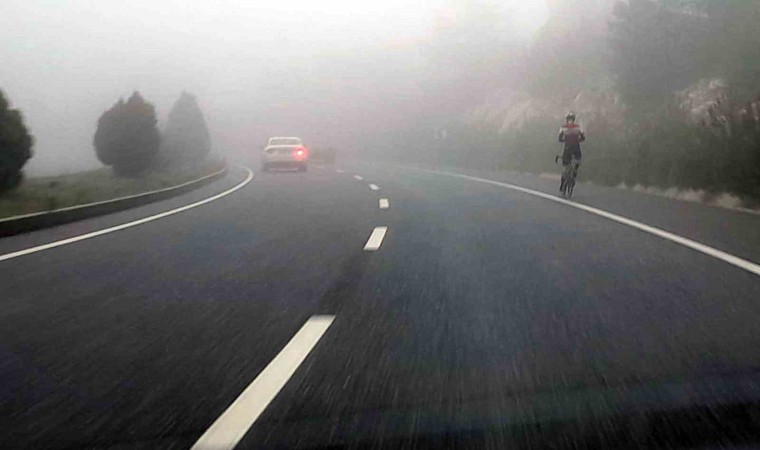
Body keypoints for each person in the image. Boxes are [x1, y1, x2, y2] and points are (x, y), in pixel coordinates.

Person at [556, 112, 585, 192]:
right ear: (574, 119)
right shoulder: (578, 127)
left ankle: (562, 185)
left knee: (565, 167)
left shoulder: (563, 127)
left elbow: (560, 139)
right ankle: (574, 174)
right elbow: (583, 138)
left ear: (567, 119)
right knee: (578, 161)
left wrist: (565, 140)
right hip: (576, 147)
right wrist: (578, 140)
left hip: (567, 148)